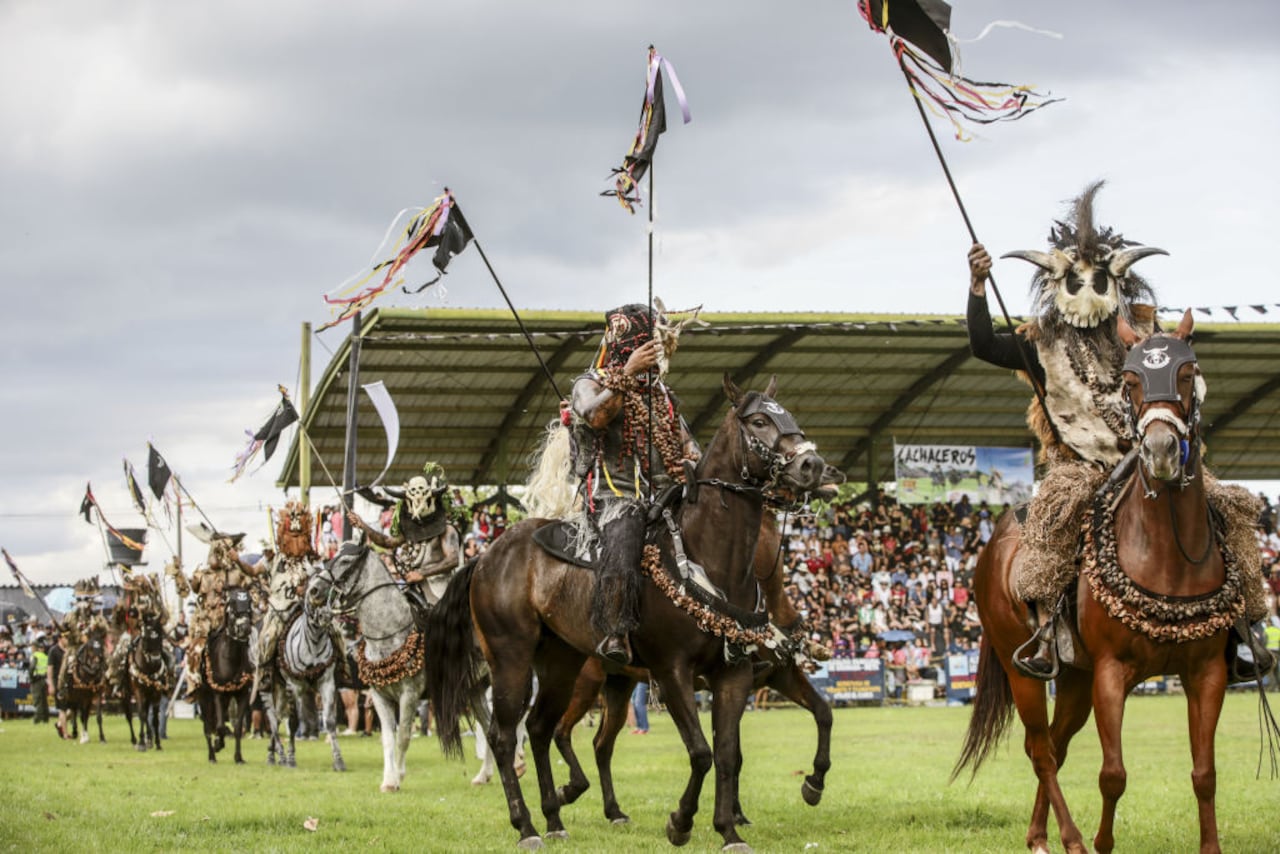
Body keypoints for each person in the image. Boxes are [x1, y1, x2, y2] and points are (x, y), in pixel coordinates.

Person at [967, 181, 1271, 679]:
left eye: (1099, 279)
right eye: (1076, 279)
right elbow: (981, 343)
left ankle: (1243, 631)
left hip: (1155, 458)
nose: (1088, 290)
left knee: (1229, 510)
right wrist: (979, 288)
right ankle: (1047, 630)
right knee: (1051, 520)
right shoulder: (1039, 345)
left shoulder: (1146, 339)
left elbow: (1185, 384)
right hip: (1082, 468)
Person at [569, 303, 699, 666]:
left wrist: (690, 460)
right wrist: (626, 373)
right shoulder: (588, 383)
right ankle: (615, 630)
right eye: (649, 349)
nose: (656, 358)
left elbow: (689, 445)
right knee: (625, 534)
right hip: (616, 497)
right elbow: (595, 415)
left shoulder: (661, 395)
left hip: (667, 495)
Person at [348, 462, 461, 612]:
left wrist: (422, 573)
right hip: (415, 590)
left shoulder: (447, 530)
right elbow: (387, 542)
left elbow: (452, 559)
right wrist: (363, 525)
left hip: (443, 592)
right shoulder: (411, 529)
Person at [170, 533, 264, 698]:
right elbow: (186, 590)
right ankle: (194, 682)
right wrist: (178, 574)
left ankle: (259, 676)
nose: (216, 557)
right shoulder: (203, 575)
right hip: (207, 621)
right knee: (195, 650)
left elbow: (251, 588)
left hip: (233, 620)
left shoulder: (236, 573)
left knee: (256, 643)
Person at [56, 577, 111, 699]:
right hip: (75, 646)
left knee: (107, 659)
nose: (82, 602)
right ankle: (62, 687)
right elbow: (64, 631)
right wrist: (59, 627)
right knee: (66, 662)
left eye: (85, 599)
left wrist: (97, 625)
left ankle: (111, 684)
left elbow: (106, 629)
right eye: (79, 599)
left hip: (93, 647)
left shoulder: (96, 616)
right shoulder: (70, 616)